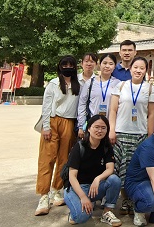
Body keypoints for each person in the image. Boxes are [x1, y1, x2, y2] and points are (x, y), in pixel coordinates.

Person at [108, 57, 154, 216]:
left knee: (136, 171)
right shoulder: (121, 86)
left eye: (142, 68)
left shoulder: (149, 89)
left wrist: (149, 137)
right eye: (135, 67)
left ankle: (135, 199)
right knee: (121, 169)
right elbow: (113, 110)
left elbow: (151, 115)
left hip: (140, 136)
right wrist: (112, 130)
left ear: (145, 71)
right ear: (130, 69)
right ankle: (125, 200)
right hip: (121, 134)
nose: (138, 70)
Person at [35, 55, 82, 215]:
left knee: (64, 159)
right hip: (53, 122)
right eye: (65, 64)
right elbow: (46, 106)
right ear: (60, 66)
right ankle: (43, 195)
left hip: (69, 123)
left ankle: (57, 189)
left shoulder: (79, 85)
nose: (68, 67)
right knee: (47, 159)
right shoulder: (54, 84)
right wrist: (46, 126)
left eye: (71, 64)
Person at [64, 114, 122, 226]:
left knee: (114, 180)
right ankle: (74, 211)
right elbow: (72, 176)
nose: (100, 130)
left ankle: (107, 213)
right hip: (76, 188)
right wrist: (83, 197)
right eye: (96, 127)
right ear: (89, 128)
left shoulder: (106, 146)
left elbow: (110, 169)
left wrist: (98, 179)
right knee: (82, 218)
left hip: (94, 187)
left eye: (103, 128)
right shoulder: (79, 147)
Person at [77, 53, 120, 139]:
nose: (107, 66)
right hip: (92, 125)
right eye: (104, 63)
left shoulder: (118, 83)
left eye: (111, 64)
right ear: (99, 65)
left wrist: (113, 129)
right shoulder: (90, 82)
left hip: (109, 126)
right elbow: (82, 104)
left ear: (115, 66)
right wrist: (81, 126)